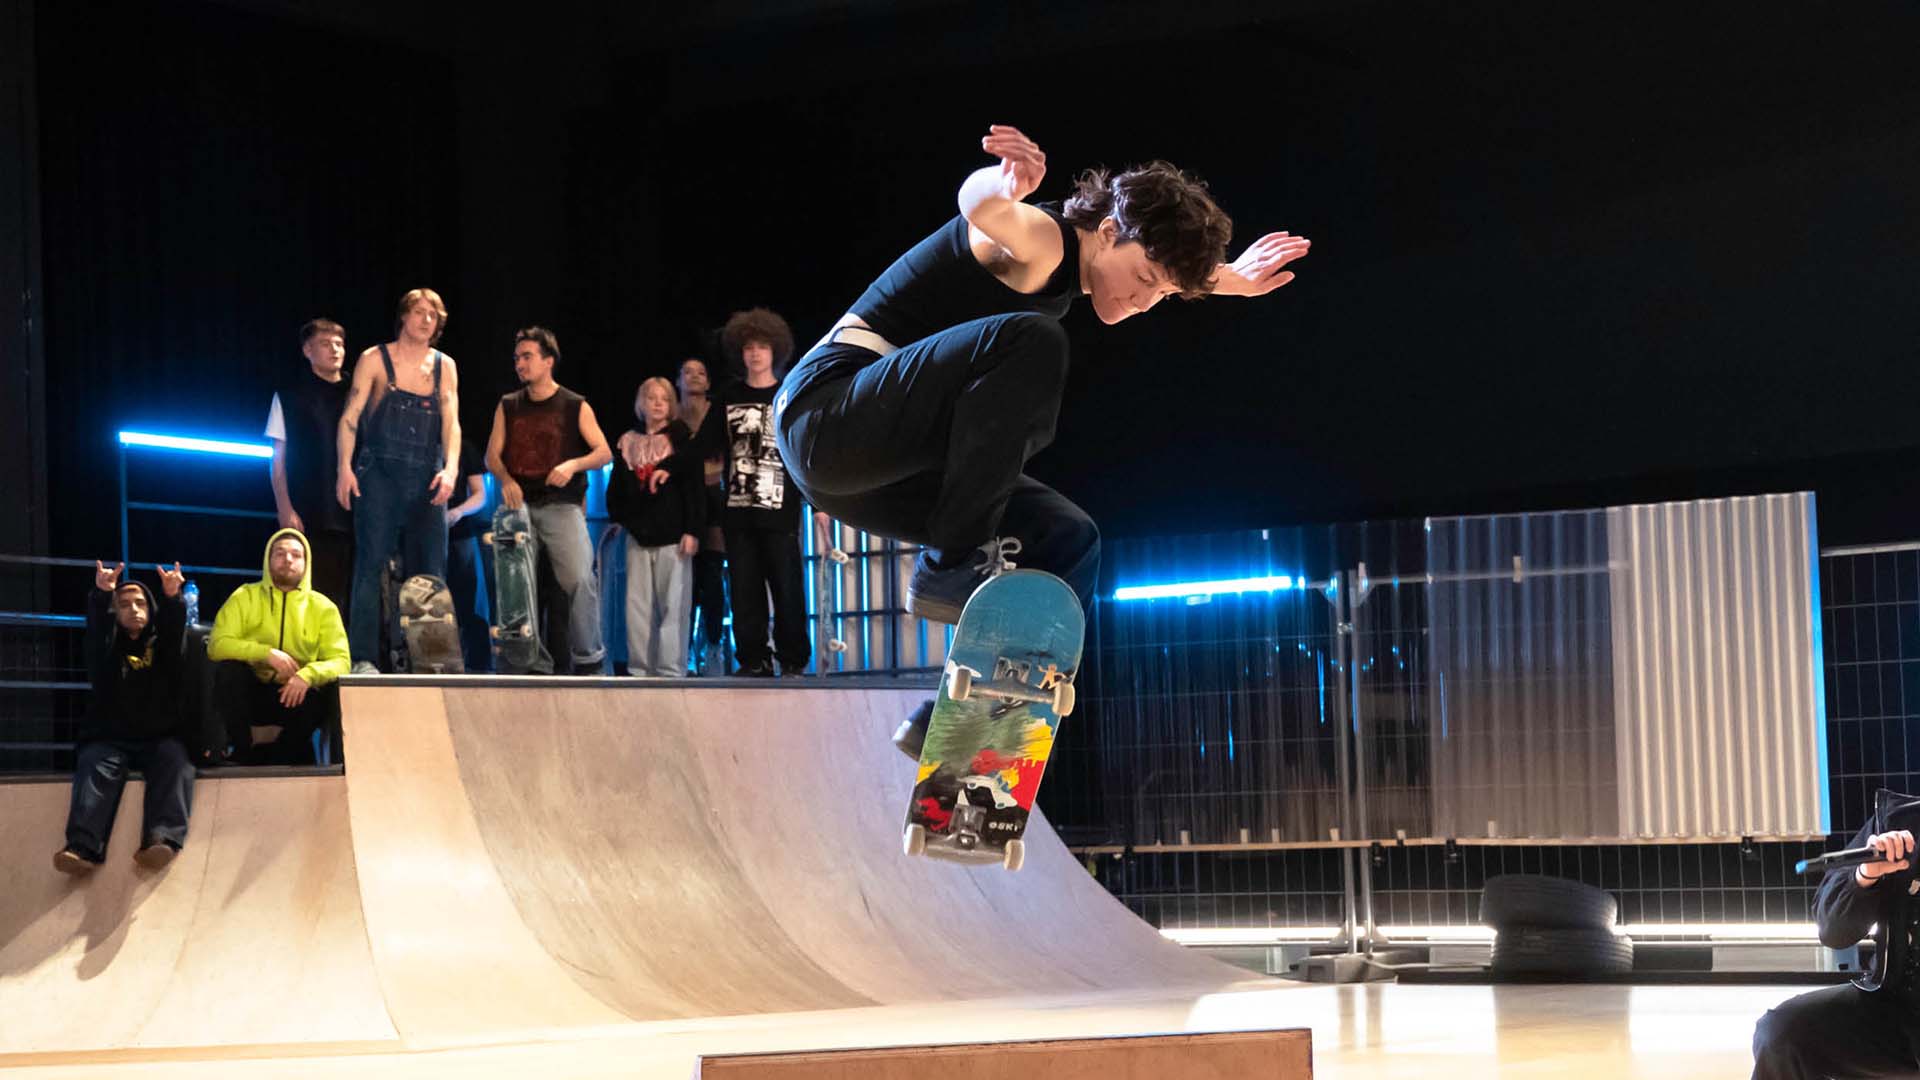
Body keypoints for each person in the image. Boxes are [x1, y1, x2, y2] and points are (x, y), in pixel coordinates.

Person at [773, 124, 1309, 751]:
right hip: (827, 418)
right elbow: (984, 209)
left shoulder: (1104, 259)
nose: (1142, 301)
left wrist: (1225, 280)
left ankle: (968, 729)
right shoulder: (1042, 243)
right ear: (1108, 231)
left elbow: (1158, 269)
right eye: (1143, 278)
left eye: (1160, 295)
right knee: (1034, 343)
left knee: (1068, 537)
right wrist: (999, 186)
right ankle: (950, 565)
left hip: (878, 474)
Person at [336, 288, 462, 674]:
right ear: (404, 316)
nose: (426, 320)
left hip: (427, 474)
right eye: (420, 312)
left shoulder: (445, 366)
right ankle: (363, 658)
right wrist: (344, 467)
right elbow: (351, 416)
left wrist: (451, 468)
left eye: (433, 315)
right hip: (380, 475)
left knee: (430, 569)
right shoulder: (374, 359)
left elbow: (451, 422)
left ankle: (431, 659)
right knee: (371, 563)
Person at [484, 325, 613, 675]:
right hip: (520, 506)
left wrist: (573, 464)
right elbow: (491, 456)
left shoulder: (574, 404)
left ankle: (589, 657)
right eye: (517, 358)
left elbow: (603, 452)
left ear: (548, 361)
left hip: (561, 504)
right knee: (518, 587)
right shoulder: (509, 405)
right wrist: (506, 480)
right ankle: (527, 660)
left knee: (579, 579)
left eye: (527, 357)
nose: (520, 364)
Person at [53, 560, 195, 874]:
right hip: (110, 737)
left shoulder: (163, 646)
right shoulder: (108, 647)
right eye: (125, 604)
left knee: (176, 761)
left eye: (140, 603)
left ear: (151, 609)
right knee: (94, 764)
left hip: (158, 737)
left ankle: (162, 840)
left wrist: (173, 598)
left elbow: (175, 638)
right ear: (116, 612)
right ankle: (82, 848)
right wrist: (103, 595)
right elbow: (96, 640)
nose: (133, 609)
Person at [1751, 826, 1920, 1078]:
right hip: (1896, 1001)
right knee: (1782, 1034)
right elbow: (1833, 932)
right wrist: (1864, 875)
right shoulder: (1897, 819)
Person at [710, 308, 810, 677]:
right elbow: (703, 444)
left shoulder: (789, 393)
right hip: (737, 512)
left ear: (775, 351)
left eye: (762, 346)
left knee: (787, 589)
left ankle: (793, 659)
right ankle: (754, 659)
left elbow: (803, 451)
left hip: (780, 511)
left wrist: (818, 504)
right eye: (749, 347)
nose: (755, 353)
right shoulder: (727, 396)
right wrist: (665, 466)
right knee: (744, 592)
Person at [207, 529, 351, 765]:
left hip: (295, 695)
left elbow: (341, 661)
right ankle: (247, 746)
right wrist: (266, 653)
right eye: (280, 553)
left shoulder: (323, 607)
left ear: (307, 563)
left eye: (296, 555)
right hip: (254, 693)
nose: (288, 559)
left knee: (324, 695)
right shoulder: (244, 596)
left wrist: (307, 675)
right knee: (228, 672)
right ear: (268, 560)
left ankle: (271, 746)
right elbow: (217, 645)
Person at [607, 377, 702, 677]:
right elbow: (616, 491)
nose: (658, 403)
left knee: (673, 605)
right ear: (641, 403)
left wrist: (693, 530)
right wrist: (622, 521)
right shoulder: (627, 441)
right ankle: (639, 669)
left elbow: (694, 488)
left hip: (674, 535)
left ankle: (670, 669)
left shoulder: (681, 439)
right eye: (651, 397)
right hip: (638, 535)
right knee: (636, 606)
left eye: (664, 398)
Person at [265, 317, 354, 611]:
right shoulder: (290, 397)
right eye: (325, 344)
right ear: (307, 350)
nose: (335, 350)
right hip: (311, 507)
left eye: (339, 344)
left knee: (354, 589)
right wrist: (284, 506)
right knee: (314, 590)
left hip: (357, 509)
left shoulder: (357, 393)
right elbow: (278, 458)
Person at [677, 357, 730, 675]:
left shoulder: (718, 411)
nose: (695, 377)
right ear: (678, 380)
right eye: (687, 372)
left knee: (712, 574)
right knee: (684, 578)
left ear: (709, 381)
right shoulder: (671, 414)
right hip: (682, 500)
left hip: (716, 494)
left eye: (701, 372)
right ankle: (681, 651)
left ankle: (713, 646)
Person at [443, 442, 491, 672]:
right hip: (420, 532)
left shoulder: (464, 447)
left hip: (459, 534)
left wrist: (459, 511)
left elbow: (480, 494)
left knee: (468, 601)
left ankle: (477, 664)